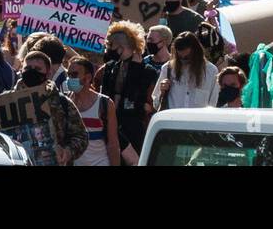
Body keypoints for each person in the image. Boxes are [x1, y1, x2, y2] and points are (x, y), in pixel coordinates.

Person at [0, 49, 87, 166]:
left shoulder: (62, 102)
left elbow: (81, 136)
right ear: (21, 70)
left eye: (37, 69)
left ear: (48, 73)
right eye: (28, 68)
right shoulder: (3, 101)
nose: (32, 72)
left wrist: (67, 152)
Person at [96, 21, 159, 164]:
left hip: (133, 127)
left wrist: (136, 68)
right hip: (110, 123)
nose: (108, 49)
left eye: (110, 45)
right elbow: (103, 93)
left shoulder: (147, 71)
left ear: (121, 46)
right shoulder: (110, 67)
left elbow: (139, 97)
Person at [65, 57, 120, 166]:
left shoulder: (105, 104)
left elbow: (113, 144)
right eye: (69, 75)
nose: (70, 79)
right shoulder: (64, 103)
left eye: (75, 75)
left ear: (88, 77)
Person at [154, 32, 219, 110]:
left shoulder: (211, 71)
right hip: (174, 120)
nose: (183, 60)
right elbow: (156, 104)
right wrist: (162, 92)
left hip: (198, 120)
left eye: (187, 57)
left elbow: (213, 104)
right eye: (180, 57)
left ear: (196, 52)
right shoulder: (168, 69)